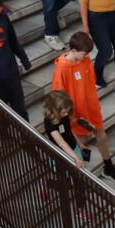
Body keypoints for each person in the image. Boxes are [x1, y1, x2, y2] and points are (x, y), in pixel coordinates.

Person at [51, 32, 115, 185]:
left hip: (91, 107)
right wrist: (70, 116)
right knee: (79, 144)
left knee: (102, 137)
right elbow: (59, 96)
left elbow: (91, 80)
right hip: (76, 113)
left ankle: (108, 167)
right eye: (84, 53)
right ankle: (76, 174)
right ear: (73, 51)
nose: (87, 56)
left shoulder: (85, 60)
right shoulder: (62, 69)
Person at [43, 90, 92, 220]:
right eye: (63, 112)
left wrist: (79, 144)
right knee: (65, 184)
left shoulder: (64, 115)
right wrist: (75, 157)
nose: (66, 114)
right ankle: (48, 183)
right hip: (60, 156)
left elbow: (69, 131)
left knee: (78, 181)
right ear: (53, 109)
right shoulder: (49, 123)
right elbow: (60, 142)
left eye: (67, 111)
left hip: (73, 149)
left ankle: (80, 209)